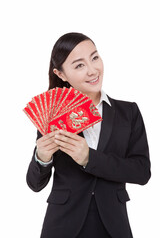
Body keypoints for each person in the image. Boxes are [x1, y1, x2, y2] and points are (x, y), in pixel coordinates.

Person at [26, 32, 151, 238]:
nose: (93, 70)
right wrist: (42, 158)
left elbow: (141, 172)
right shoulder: (52, 113)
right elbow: (34, 184)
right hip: (62, 225)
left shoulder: (128, 112)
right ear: (61, 74)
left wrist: (89, 158)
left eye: (94, 58)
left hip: (113, 225)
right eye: (79, 65)